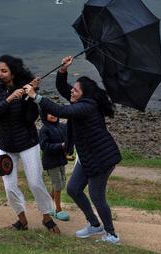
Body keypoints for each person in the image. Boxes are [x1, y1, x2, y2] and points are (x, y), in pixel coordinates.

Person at [22, 55, 122, 244]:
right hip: (87, 157)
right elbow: (63, 89)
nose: (72, 92)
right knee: (74, 189)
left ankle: (112, 234)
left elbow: (62, 112)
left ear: (83, 94)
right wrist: (63, 70)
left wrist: (36, 97)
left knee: (96, 196)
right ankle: (94, 224)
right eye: (73, 89)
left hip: (102, 158)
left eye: (75, 90)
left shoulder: (87, 106)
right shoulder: (80, 100)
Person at [0, 54, 60, 234]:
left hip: (28, 143)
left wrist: (31, 96)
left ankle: (46, 217)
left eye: (4, 71)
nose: (0, 74)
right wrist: (9, 99)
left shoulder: (25, 89)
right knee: (9, 187)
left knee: (35, 182)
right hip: (4, 145)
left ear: (13, 72)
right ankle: (22, 219)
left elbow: (31, 118)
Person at [38, 111, 70, 221]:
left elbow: (69, 136)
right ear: (45, 115)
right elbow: (44, 146)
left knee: (61, 183)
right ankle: (58, 210)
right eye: (49, 113)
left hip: (61, 159)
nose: (53, 115)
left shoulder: (62, 127)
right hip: (51, 161)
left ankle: (47, 206)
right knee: (58, 185)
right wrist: (60, 146)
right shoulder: (44, 129)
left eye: (55, 112)